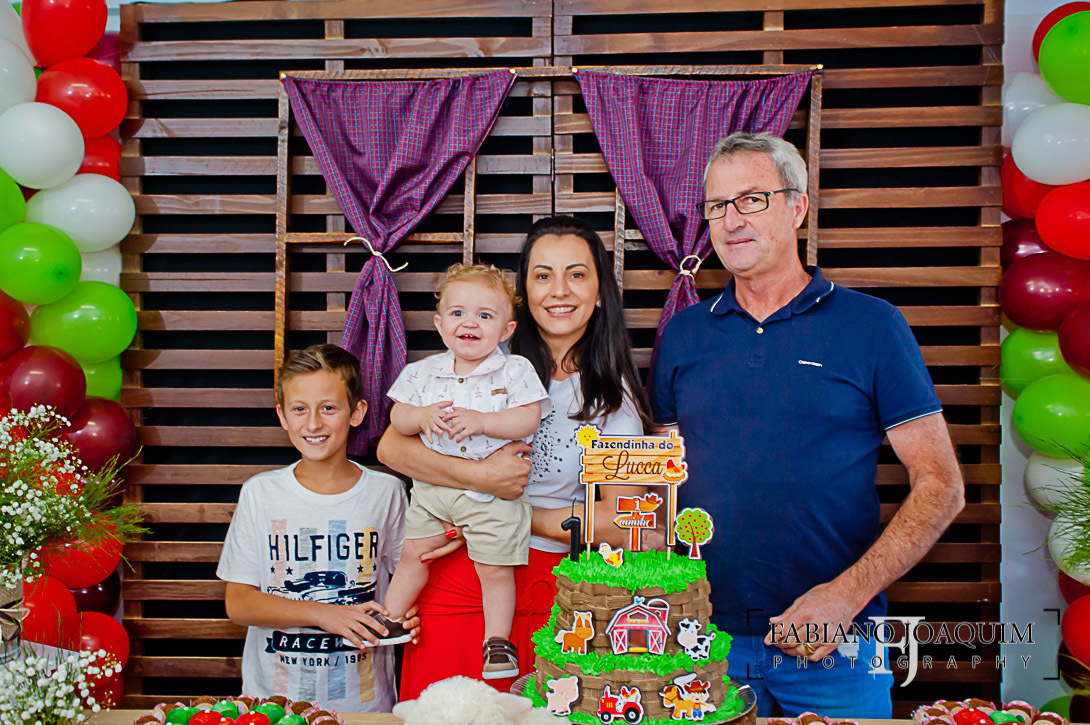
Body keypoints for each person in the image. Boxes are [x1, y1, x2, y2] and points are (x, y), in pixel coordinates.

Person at [648, 132, 965, 717]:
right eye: (716, 206)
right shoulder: (683, 335)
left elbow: (942, 485)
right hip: (698, 646)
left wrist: (846, 597)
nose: (731, 221)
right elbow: (661, 484)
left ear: (797, 207)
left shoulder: (872, 326)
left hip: (836, 646)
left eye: (752, 199)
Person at [376, 216, 652, 699]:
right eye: (543, 275)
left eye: (577, 274)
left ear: (600, 292)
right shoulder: (476, 356)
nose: (559, 290)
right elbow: (391, 447)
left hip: (554, 593)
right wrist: (481, 480)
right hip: (454, 579)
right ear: (524, 293)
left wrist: (502, 515)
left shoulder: (615, 397)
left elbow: (622, 522)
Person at [217, 344, 420, 712]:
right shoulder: (260, 493)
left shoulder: (386, 492)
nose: (313, 424)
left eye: (328, 408)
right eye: (299, 409)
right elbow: (239, 603)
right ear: (282, 416)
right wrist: (324, 614)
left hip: (364, 707)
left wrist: (411, 615)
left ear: (356, 412)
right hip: (273, 708)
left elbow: (410, 580)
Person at [380, 263, 551, 680]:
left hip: (493, 496)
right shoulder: (422, 373)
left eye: (484, 315)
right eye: (457, 313)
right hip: (432, 489)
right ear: (440, 324)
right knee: (413, 555)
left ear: (506, 330)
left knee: (494, 569)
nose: (469, 323)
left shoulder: (514, 370)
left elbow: (528, 418)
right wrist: (419, 416)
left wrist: (483, 422)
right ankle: (391, 618)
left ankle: (498, 642)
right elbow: (397, 419)